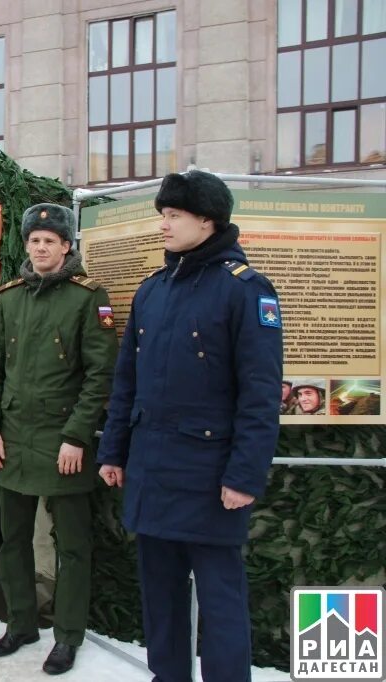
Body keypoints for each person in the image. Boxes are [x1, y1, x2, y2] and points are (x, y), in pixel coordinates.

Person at [96, 170, 282, 682]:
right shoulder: (152, 291)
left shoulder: (245, 290)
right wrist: (113, 452)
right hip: (153, 470)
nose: (164, 225)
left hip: (209, 476)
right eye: (162, 215)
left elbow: (261, 395)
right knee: (160, 596)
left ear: (208, 220)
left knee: (221, 599)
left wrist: (244, 476)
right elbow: (126, 380)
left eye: (173, 215)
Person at [0, 203, 117, 675]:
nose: (40, 248)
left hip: (64, 445)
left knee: (72, 546)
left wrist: (77, 436)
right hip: (10, 440)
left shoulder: (87, 297)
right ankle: (20, 625)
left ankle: (67, 636)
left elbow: (101, 375)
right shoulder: (10, 297)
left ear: (66, 247)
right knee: (11, 540)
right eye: (34, 241)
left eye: (49, 241)